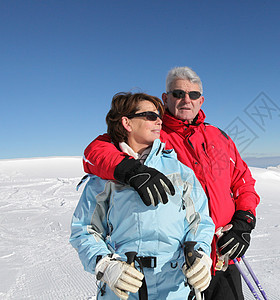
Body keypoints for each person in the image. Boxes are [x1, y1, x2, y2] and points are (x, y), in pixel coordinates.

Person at [83, 67, 261, 300]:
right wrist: (128, 169)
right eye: (178, 94)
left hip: (221, 256)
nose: (186, 100)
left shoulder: (219, 137)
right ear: (166, 98)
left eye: (194, 95)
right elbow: (95, 152)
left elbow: (243, 182)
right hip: (179, 268)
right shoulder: (153, 135)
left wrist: (244, 221)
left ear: (202, 100)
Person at [70, 92, 215, 299]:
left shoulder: (179, 171)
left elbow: (199, 221)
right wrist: (105, 265)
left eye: (159, 116)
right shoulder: (105, 177)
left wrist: (200, 254)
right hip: (124, 287)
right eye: (150, 115)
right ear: (127, 122)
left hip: (175, 287)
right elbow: (84, 230)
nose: (159, 121)